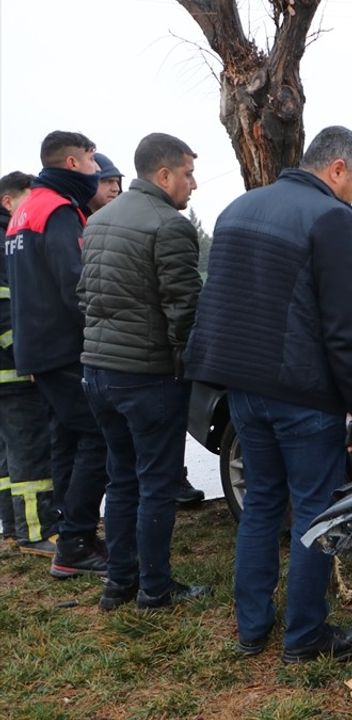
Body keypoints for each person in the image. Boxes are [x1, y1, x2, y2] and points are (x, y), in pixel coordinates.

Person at [184, 126, 352, 662]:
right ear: (336, 167)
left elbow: (220, 303)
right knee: (315, 512)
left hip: (244, 389)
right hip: (304, 393)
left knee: (263, 505)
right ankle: (305, 637)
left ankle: (252, 630)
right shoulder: (332, 218)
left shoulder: (238, 209)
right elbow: (344, 322)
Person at [79, 133, 209, 610]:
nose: (193, 184)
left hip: (98, 372)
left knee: (121, 478)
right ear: (164, 175)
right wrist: (188, 365)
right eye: (189, 173)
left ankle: (118, 582)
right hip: (146, 376)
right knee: (156, 482)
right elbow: (183, 310)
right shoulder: (168, 226)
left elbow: (85, 296)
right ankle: (154, 588)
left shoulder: (97, 221)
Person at [4, 131, 109, 578]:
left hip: (37, 349)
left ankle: (71, 530)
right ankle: (76, 544)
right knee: (100, 435)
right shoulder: (59, 211)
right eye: (91, 159)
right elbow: (77, 285)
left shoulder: (24, 210)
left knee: (67, 437)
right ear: (71, 162)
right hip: (65, 347)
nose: (96, 169)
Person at [0, 171, 58, 558]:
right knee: (31, 451)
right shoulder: (5, 241)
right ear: (9, 201)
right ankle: (37, 532)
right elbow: (6, 310)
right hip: (14, 370)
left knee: (9, 456)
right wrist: (26, 355)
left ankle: (11, 525)